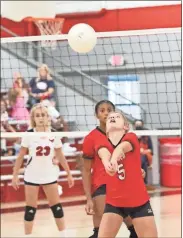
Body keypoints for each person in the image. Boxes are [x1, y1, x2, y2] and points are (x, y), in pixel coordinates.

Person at [12, 103, 74, 237]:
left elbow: (60, 155)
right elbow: (20, 156)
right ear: (33, 118)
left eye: (44, 115)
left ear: (48, 117)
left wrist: (69, 173)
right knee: (30, 209)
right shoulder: (29, 134)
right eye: (38, 115)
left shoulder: (54, 134)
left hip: (49, 175)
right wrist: (15, 175)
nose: (41, 118)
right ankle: (28, 236)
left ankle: (63, 235)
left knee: (56, 207)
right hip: (32, 175)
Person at [82, 100, 139, 238]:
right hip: (101, 184)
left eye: (109, 110)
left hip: (122, 182)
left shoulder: (124, 135)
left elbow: (131, 160)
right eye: (102, 110)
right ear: (96, 115)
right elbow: (85, 170)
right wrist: (89, 198)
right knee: (102, 230)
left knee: (136, 230)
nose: (106, 113)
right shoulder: (90, 138)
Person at [96, 111, 157, 238]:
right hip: (114, 204)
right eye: (109, 118)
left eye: (117, 117)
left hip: (139, 202)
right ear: (106, 129)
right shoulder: (102, 143)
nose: (112, 117)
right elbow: (103, 153)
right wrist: (108, 163)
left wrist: (114, 159)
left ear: (126, 126)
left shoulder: (131, 137)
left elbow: (121, 148)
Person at [134, 120, 153, 186]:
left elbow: (151, 150)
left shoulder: (146, 136)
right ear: (134, 126)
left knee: (142, 160)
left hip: (145, 156)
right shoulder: (132, 135)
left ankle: (143, 182)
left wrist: (143, 151)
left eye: (139, 124)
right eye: (137, 125)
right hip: (134, 156)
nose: (138, 126)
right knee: (140, 161)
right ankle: (141, 182)